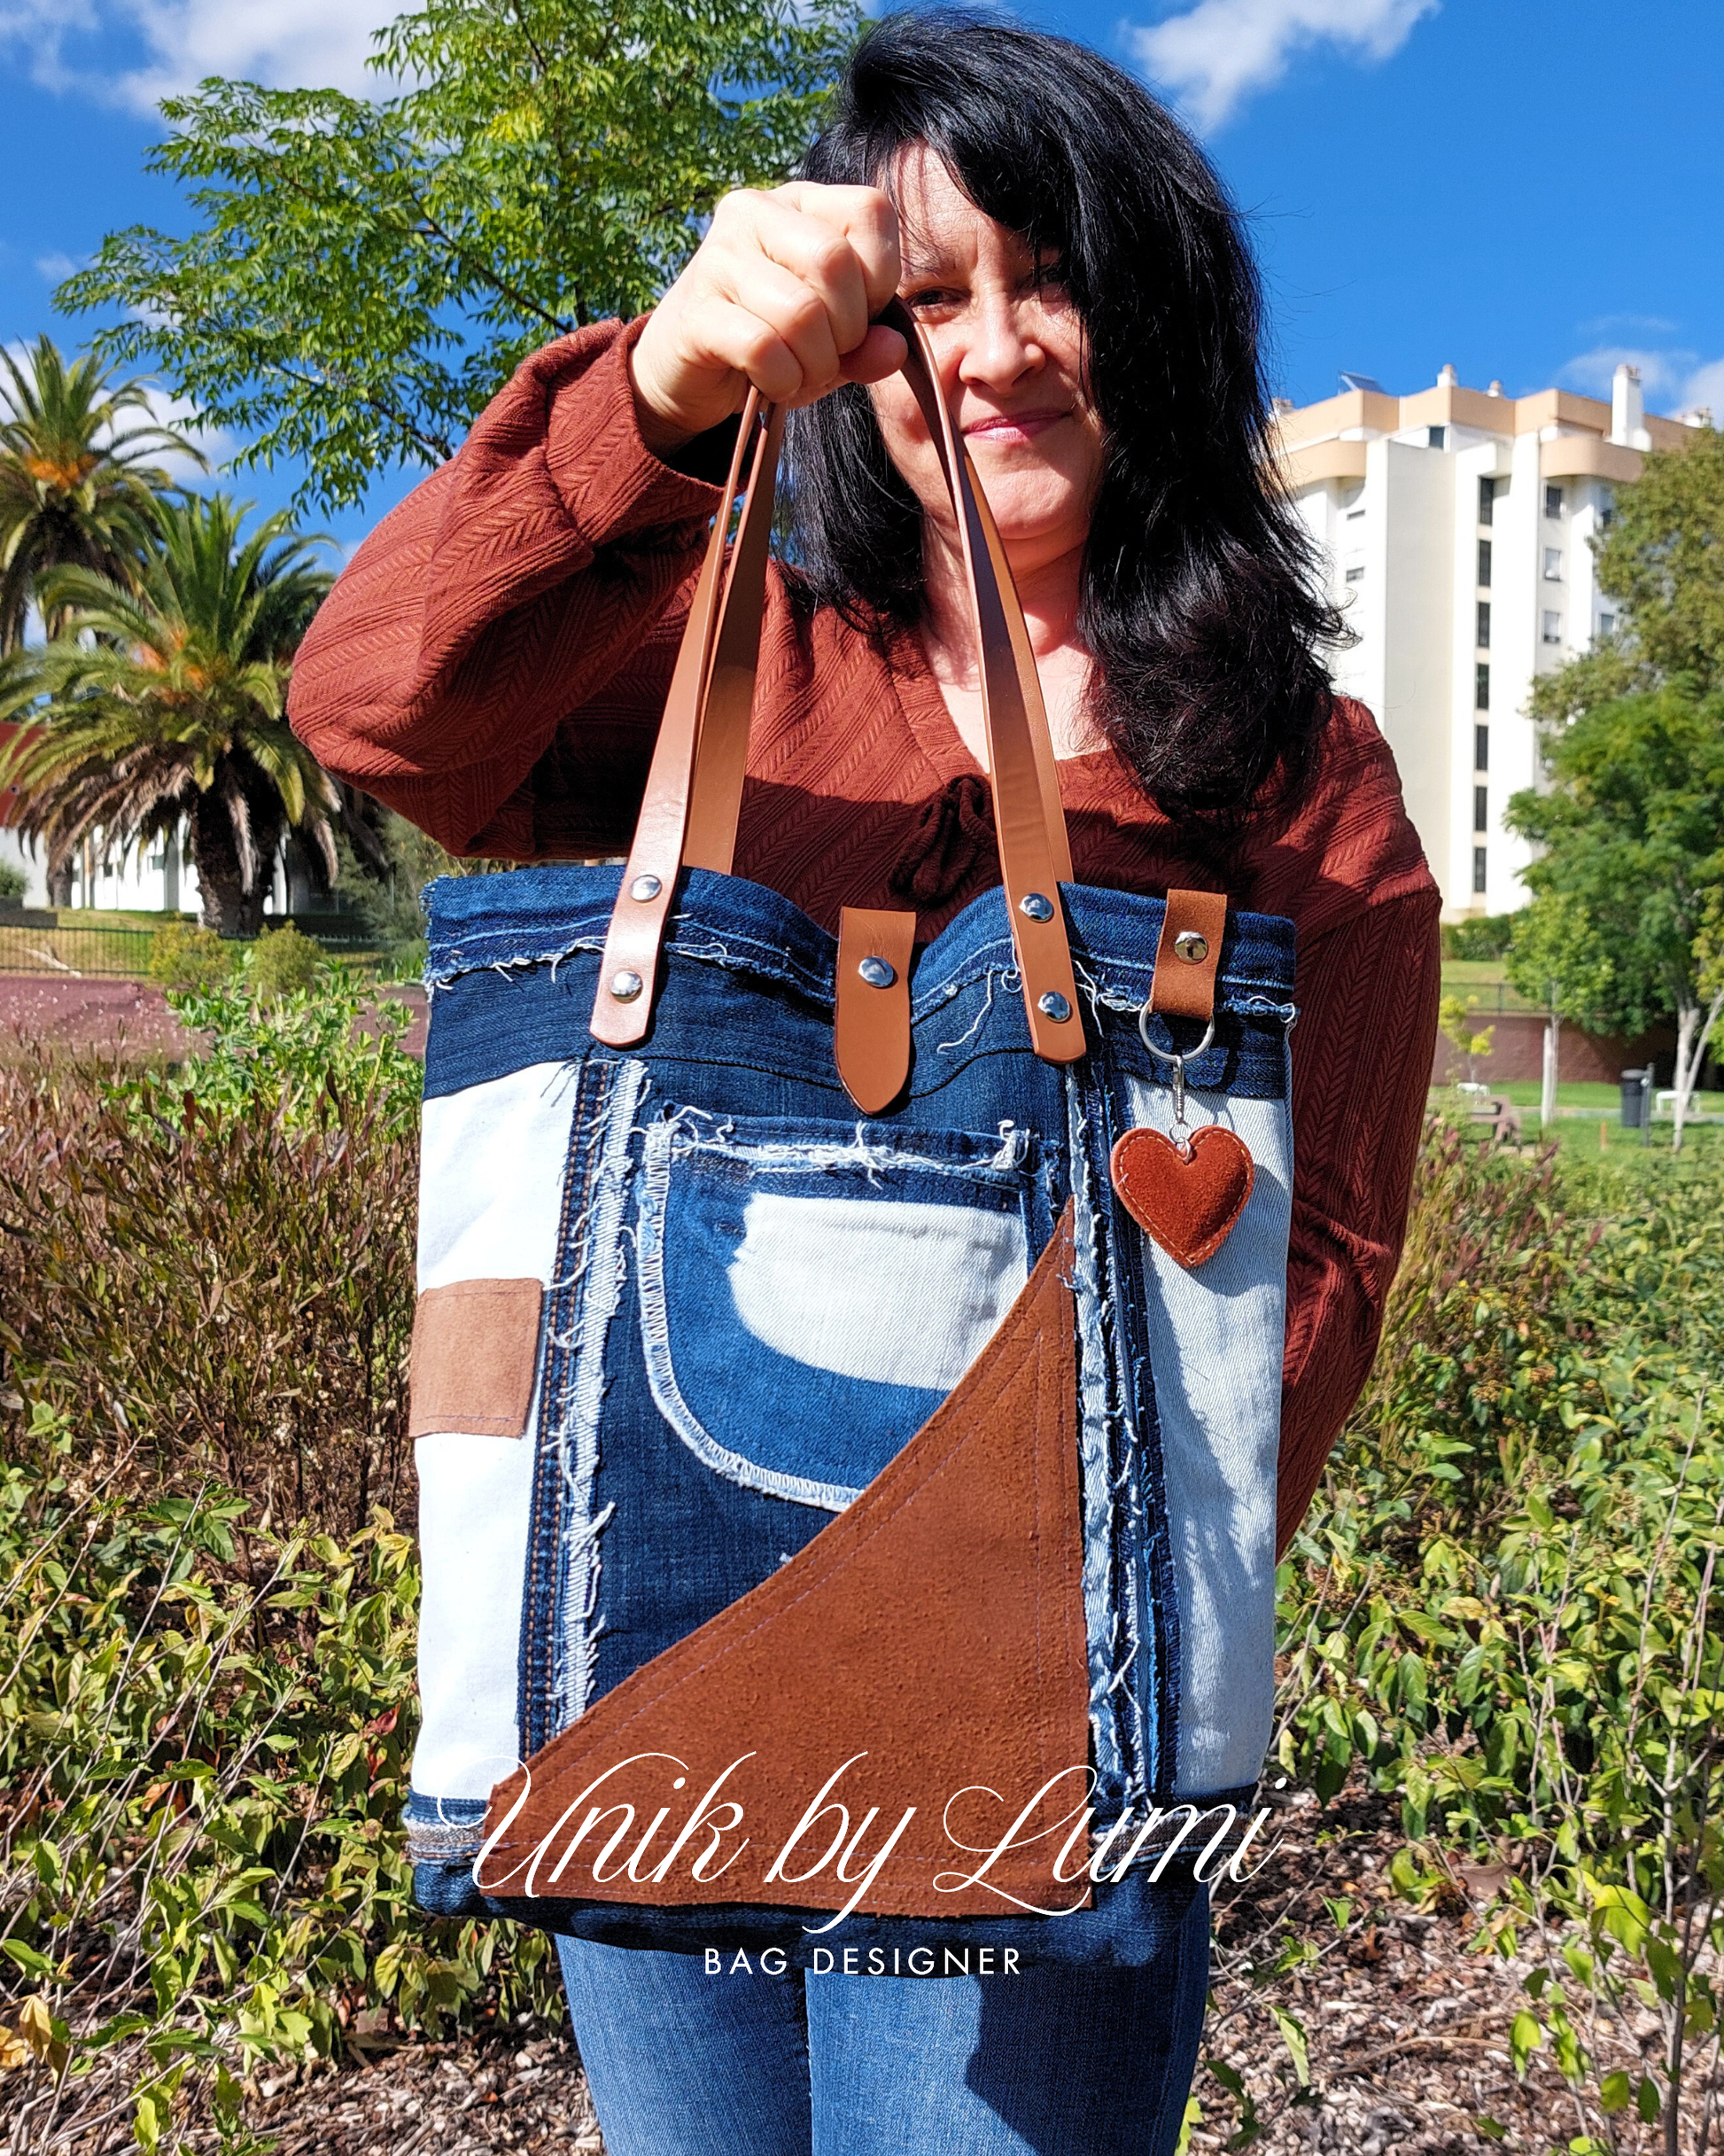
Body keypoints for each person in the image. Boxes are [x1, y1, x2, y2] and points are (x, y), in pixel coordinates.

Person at [291, 12, 1441, 2152]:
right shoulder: (695, 670)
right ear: (840, 343)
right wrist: (653, 398)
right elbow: (372, 711)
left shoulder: (1301, 779)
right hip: (656, 1647)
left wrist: (983, 1644)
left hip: (1034, 1721)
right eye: (921, 295)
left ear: (1162, 308)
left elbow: (1310, 1291)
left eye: (1048, 275)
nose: (990, 347)